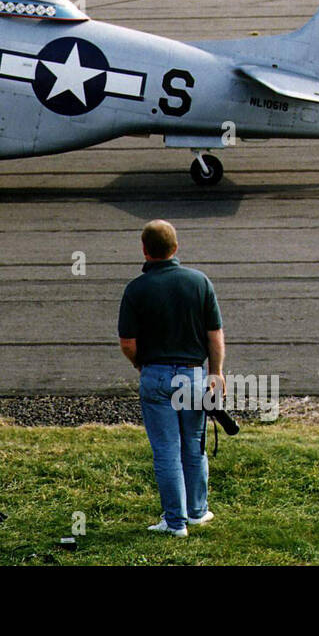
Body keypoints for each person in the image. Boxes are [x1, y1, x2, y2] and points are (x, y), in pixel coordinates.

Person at [118, 220, 225, 538]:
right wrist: (216, 373)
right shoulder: (199, 282)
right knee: (194, 444)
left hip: (156, 375)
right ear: (175, 248)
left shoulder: (136, 289)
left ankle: (175, 522)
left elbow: (128, 344)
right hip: (193, 376)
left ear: (144, 249)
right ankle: (197, 511)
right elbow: (214, 335)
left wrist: (142, 366)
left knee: (166, 449)